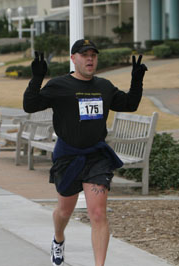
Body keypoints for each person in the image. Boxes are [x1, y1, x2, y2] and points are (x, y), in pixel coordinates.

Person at [23, 39, 148, 266]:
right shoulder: (60, 85)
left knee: (98, 213)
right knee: (64, 211)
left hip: (96, 157)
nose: (90, 59)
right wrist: (37, 78)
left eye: (93, 55)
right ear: (73, 58)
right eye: (84, 55)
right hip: (68, 156)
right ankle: (58, 239)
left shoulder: (104, 86)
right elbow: (30, 105)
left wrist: (137, 80)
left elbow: (129, 104)